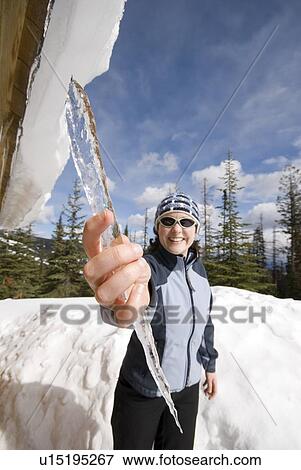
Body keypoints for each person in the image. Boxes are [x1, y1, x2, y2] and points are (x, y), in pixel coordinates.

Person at [83, 192, 218, 450]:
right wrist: (121, 301)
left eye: (186, 222)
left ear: (197, 229)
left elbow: (205, 321)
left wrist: (209, 364)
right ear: (157, 227)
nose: (177, 229)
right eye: (168, 221)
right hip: (142, 392)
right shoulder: (149, 267)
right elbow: (135, 295)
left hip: (187, 392)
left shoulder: (200, 271)